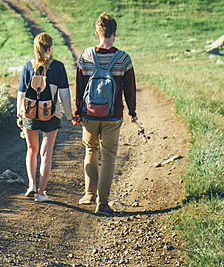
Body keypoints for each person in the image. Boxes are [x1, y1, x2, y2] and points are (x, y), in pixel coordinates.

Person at [72, 12, 137, 215]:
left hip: (89, 115)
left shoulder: (86, 56)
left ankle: (89, 194)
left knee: (90, 151)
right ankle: (103, 202)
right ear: (115, 33)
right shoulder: (123, 59)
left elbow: (80, 87)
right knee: (108, 157)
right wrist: (132, 112)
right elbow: (130, 89)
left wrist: (77, 111)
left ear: (97, 32)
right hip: (113, 116)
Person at [17, 32, 73, 202]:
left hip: (29, 114)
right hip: (51, 115)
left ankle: (31, 184)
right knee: (46, 153)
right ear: (50, 48)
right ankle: (41, 193)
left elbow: (20, 95)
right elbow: (64, 96)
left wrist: (19, 116)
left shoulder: (28, 66)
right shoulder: (58, 67)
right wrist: (70, 116)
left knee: (31, 150)